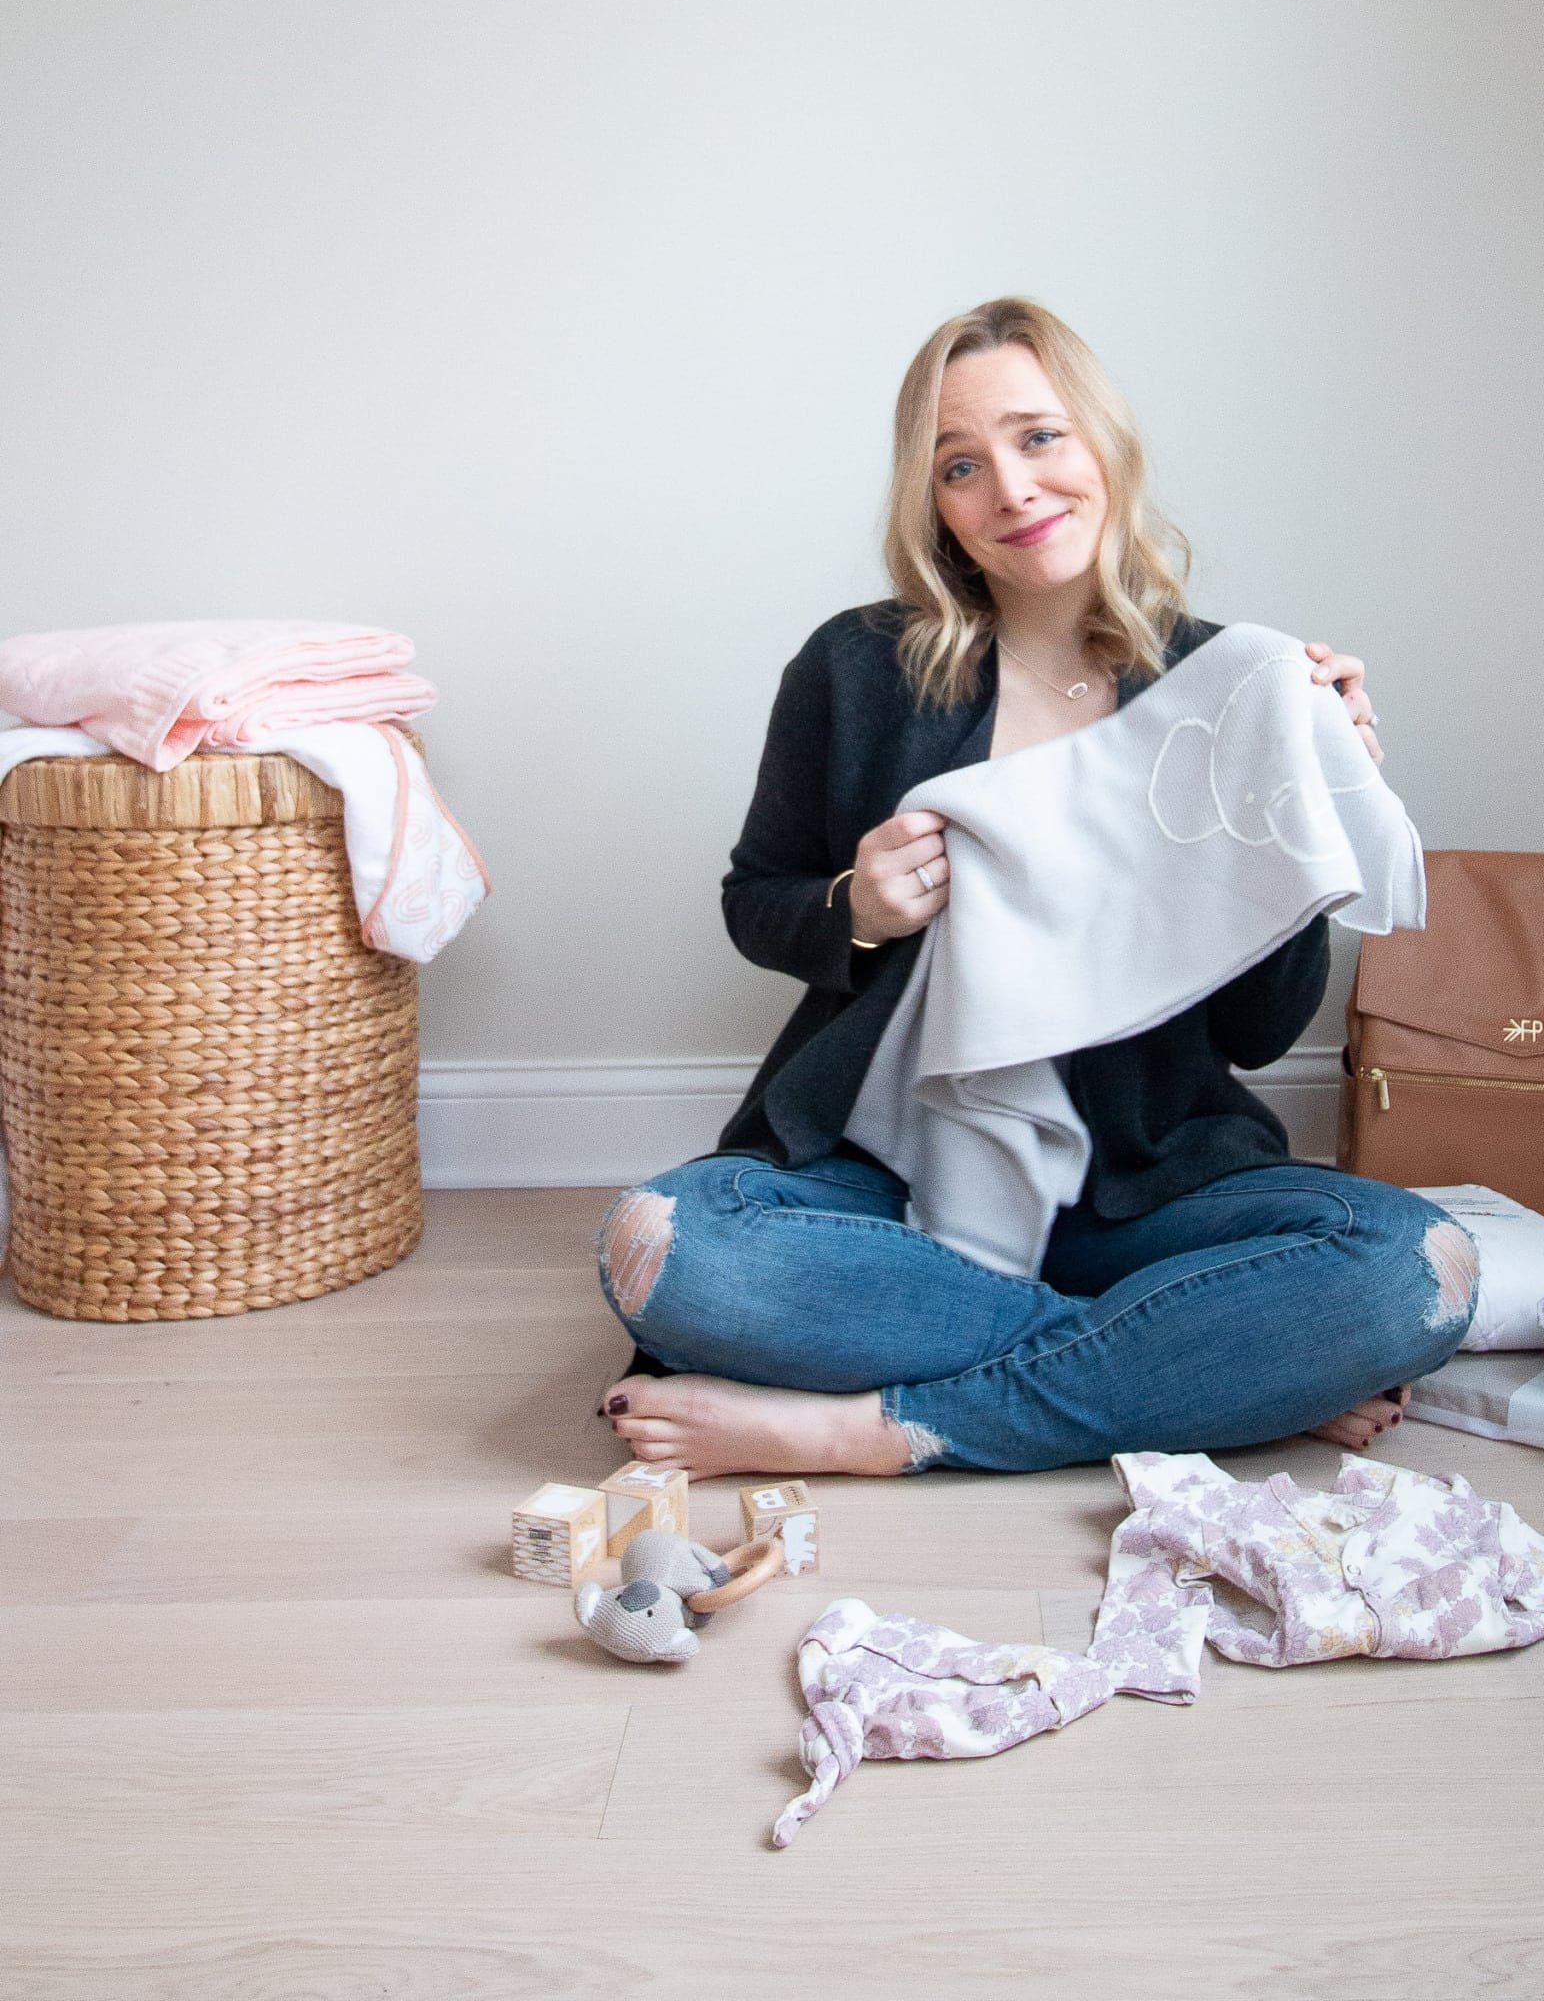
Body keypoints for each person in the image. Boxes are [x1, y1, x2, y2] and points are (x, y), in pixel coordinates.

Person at [596, 300, 1478, 1479]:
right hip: (889, 1176)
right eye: (962, 464)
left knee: (1416, 1267)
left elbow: (1264, 1035)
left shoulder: (1228, 684)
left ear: (1103, 444)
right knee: (669, 1247)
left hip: (1145, 1183)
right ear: (934, 500)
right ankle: (1196, 1371)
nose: (1012, 488)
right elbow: (757, 896)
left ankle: (883, 1428)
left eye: (1041, 438)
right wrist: (853, 909)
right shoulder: (855, 666)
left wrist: (1302, 813)